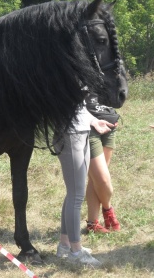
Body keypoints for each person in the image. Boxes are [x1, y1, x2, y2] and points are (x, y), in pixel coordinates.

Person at [53, 102, 114, 266]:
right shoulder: (62, 76)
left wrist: (93, 121)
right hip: (70, 134)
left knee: (73, 192)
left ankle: (65, 245)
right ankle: (76, 252)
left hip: (81, 131)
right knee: (76, 195)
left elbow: (78, 106)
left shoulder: (75, 75)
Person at [85, 94, 121, 233]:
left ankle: (92, 223)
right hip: (89, 126)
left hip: (110, 124)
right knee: (102, 179)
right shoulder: (79, 72)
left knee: (95, 179)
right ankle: (108, 210)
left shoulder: (109, 71)